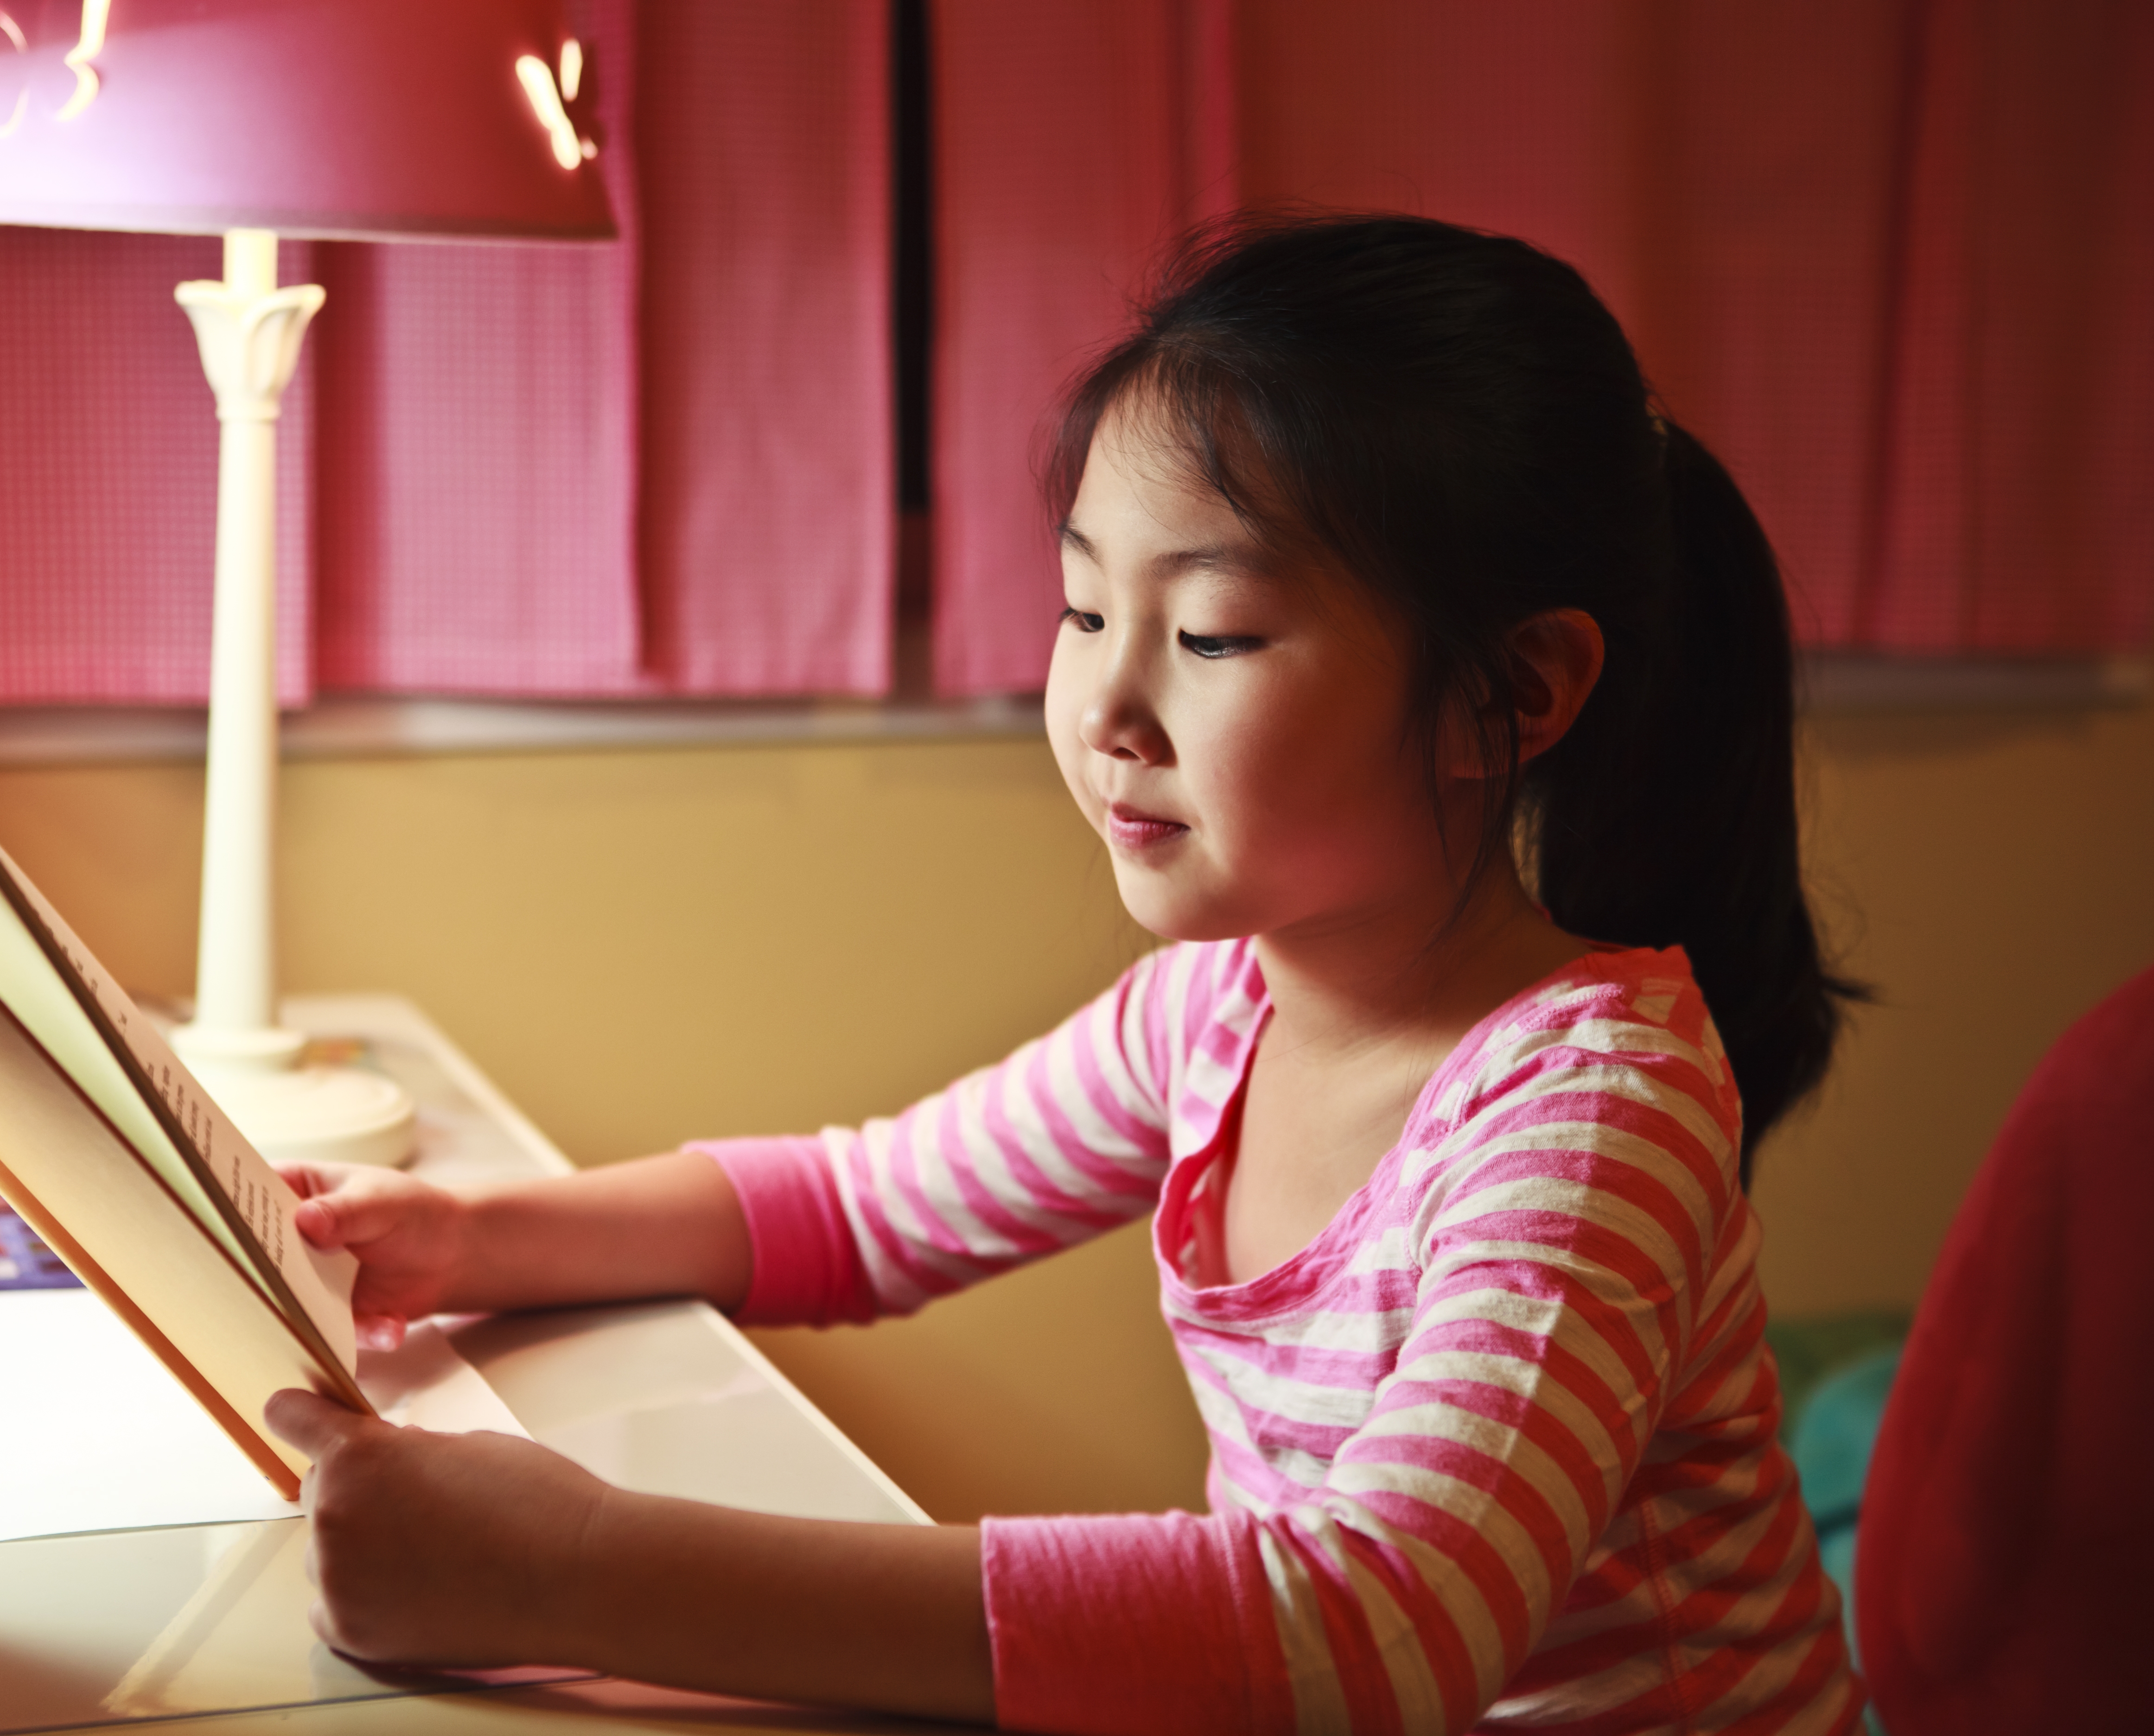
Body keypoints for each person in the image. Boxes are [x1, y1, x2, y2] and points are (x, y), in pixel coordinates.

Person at [263, 213, 1868, 1735]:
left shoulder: (1594, 1105)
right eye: (1085, 605)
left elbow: (1374, 1639)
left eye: (1217, 634)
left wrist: (581, 1572)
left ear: (1508, 693)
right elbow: (865, 1207)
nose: (1107, 702)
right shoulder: (1223, 1006)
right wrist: (466, 1240)